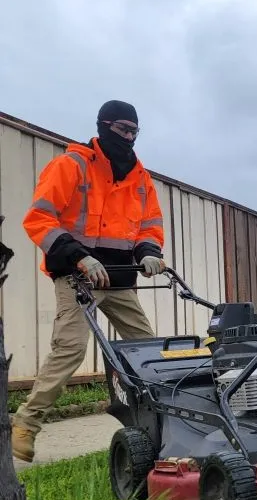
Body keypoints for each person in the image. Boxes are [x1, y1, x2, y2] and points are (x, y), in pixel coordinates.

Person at [11, 100, 166, 463]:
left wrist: (148, 252)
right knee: (71, 349)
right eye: (122, 130)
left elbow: (150, 225)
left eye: (134, 131)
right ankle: (25, 424)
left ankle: (162, 418)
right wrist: (79, 256)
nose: (128, 137)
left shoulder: (140, 178)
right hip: (77, 276)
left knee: (146, 347)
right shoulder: (72, 165)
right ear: (104, 126)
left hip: (120, 278)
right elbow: (39, 220)